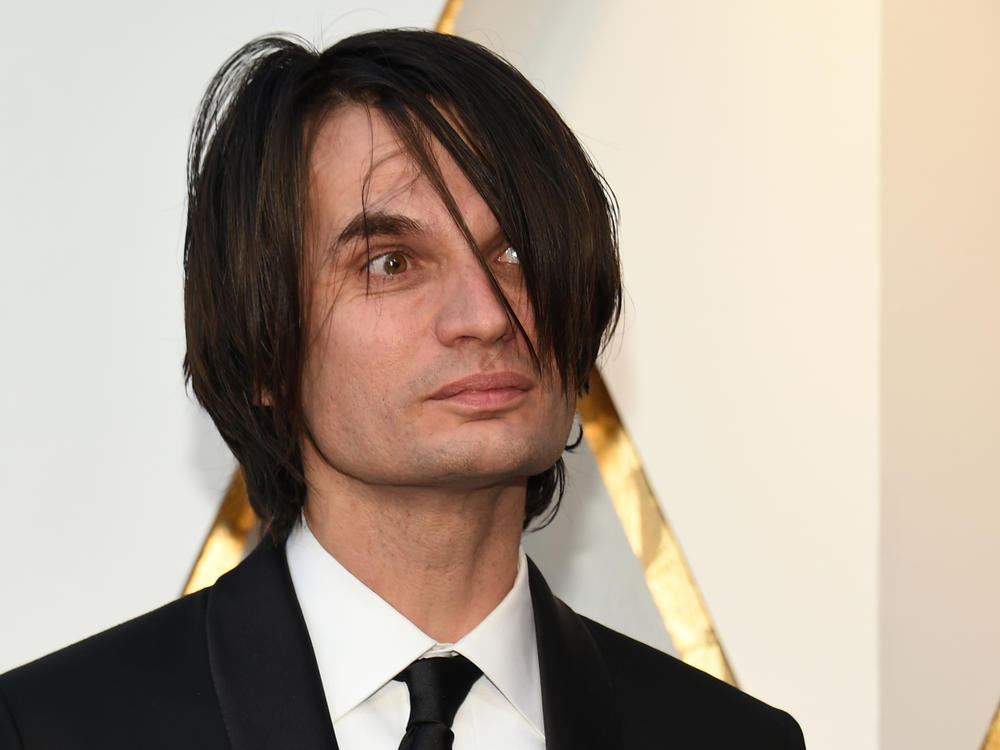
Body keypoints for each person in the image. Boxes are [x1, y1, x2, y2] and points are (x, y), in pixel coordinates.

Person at [0, 29, 805, 749]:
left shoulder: (731, 740)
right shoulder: (57, 728)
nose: (487, 315)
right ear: (261, 351)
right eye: (390, 263)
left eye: (516, 253)